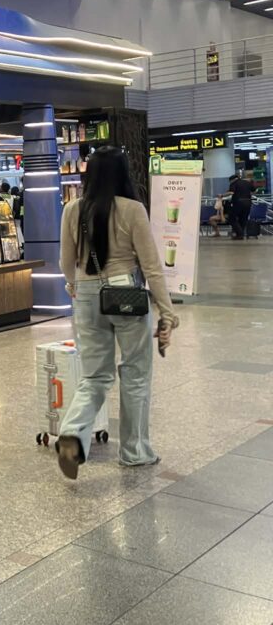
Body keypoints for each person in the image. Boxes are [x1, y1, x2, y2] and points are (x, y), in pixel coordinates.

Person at [56, 146, 178, 480]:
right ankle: (135, 452)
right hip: (125, 295)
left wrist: (74, 284)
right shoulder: (132, 209)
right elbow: (152, 267)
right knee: (135, 373)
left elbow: (66, 263)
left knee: (95, 376)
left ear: (89, 174)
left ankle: (72, 432)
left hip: (85, 294)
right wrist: (167, 313)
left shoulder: (72, 209)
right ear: (125, 173)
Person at [227, 173, 255, 240]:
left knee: (231, 218)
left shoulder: (234, 183)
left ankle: (240, 234)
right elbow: (254, 190)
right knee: (243, 219)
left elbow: (231, 192)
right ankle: (240, 236)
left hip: (238, 202)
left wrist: (222, 195)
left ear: (233, 179)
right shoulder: (247, 182)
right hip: (248, 202)